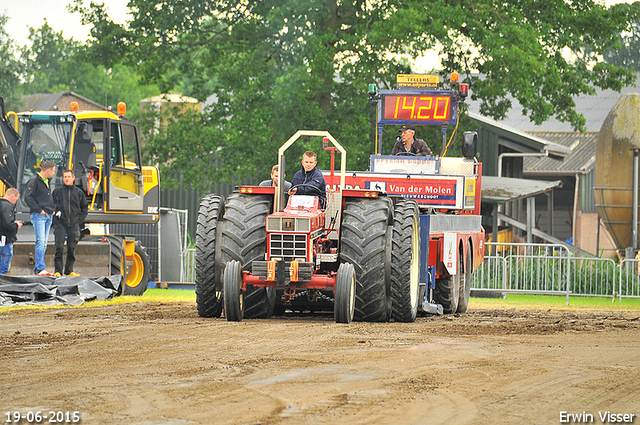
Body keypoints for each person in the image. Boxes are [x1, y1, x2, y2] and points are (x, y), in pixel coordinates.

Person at [52, 169, 88, 277]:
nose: (67, 179)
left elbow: (84, 208)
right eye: (65, 177)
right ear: (62, 179)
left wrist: (78, 221)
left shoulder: (79, 193)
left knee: (71, 248)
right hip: (60, 224)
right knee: (59, 247)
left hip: (73, 224)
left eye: (68, 177)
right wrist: (56, 220)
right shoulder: (57, 192)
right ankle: (58, 271)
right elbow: (51, 206)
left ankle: (69, 270)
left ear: (73, 178)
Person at [24, 160, 57, 275]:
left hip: (48, 215)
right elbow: (28, 197)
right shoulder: (34, 181)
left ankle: (40, 267)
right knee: (41, 242)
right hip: (39, 216)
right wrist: (39, 210)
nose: (53, 173)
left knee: (44, 242)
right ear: (48, 170)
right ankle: (39, 268)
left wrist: (51, 209)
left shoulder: (46, 181)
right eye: (53, 171)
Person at [0, 189, 23, 275]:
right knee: (4, 262)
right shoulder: (7, 206)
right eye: (16, 200)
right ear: (13, 196)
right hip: (5, 239)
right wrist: (16, 225)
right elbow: (7, 223)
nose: (15, 202)